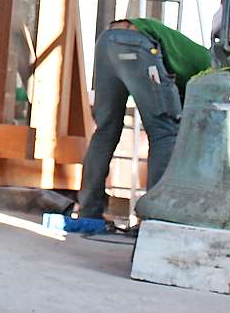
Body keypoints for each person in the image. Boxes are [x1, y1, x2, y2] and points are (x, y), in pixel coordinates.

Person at [77, 17, 211, 220]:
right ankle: (157, 216)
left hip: (107, 41)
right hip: (136, 42)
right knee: (165, 132)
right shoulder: (212, 69)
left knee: (106, 130)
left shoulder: (196, 65)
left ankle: (89, 212)